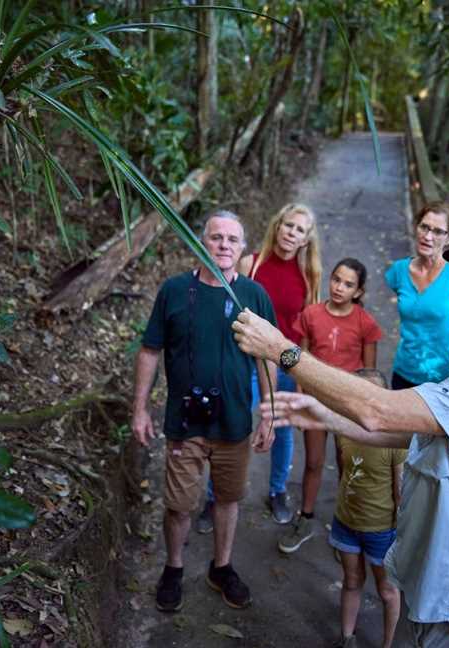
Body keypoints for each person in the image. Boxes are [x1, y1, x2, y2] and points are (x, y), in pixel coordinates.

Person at [232, 236, 449, 647]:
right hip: (437, 586)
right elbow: (414, 427)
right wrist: (325, 415)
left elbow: (379, 409)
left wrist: (281, 350)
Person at [130, 210, 277, 613]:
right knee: (179, 504)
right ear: (201, 243)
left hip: (233, 423)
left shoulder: (253, 296)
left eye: (232, 239)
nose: (224, 245)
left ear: (243, 248)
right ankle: (174, 568)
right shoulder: (174, 291)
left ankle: (221, 567)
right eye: (216, 237)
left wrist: (269, 413)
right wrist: (140, 409)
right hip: (184, 421)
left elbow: (269, 358)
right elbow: (149, 351)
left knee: (228, 499)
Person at [199, 203, 322, 529]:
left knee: (281, 429)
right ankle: (214, 498)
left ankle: (278, 490)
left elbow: (307, 327)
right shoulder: (250, 263)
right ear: (277, 226)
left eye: (299, 229)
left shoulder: (309, 276)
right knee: (231, 427)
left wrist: (302, 374)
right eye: (288, 225)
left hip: (283, 362)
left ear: (306, 239)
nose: (291, 233)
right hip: (245, 360)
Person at [278, 258, 382, 553]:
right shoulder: (311, 314)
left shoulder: (365, 322)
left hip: (347, 405)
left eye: (348, 284)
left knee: (348, 465)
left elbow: (370, 376)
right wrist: (300, 398)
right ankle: (306, 518)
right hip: (314, 400)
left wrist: (362, 409)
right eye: (336, 279)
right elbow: (301, 359)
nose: (339, 287)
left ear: (359, 291)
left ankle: (346, 529)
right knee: (313, 462)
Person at [331, 368, 403, 648]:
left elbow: (400, 492)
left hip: (381, 530)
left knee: (386, 590)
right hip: (346, 522)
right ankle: (347, 638)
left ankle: (387, 644)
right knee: (351, 580)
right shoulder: (344, 430)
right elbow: (343, 472)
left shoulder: (395, 440)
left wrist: (400, 534)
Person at [385, 201, 449, 390]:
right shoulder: (398, 271)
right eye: (424, 227)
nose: (428, 236)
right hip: (404, 371)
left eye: (438, 231)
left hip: (447, 378)